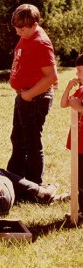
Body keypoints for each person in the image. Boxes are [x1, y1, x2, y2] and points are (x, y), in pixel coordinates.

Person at [7, 4, 58, 185]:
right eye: (16, 28)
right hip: (24, 96)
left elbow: (51, 76)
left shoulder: (40, 42)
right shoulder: (27, 36)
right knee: (18, 138)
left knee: (31, 142)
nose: (18, 32)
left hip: (35, 99)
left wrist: (28, 95)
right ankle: (16, 177)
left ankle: (34, 183)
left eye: (21, 29)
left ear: (34, 24)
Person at [60, 54, 83, 216]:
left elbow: (78, 107)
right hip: (78, 142)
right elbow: (63, 104)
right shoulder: (80, 90)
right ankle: (80, 210)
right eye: (77, 70)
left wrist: (81, 108)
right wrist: (68, 88)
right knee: (79, 179)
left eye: (80, 71)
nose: (77, 74)